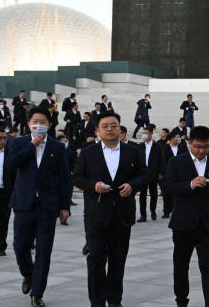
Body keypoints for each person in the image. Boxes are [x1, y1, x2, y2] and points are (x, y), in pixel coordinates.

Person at [73, 112, 148, 307]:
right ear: (97, 130)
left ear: (120, 128)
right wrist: (93, 186)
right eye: (105, 126)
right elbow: (77, 177)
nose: (110, 129)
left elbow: (144, 175)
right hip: (96, 215)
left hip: (122, 215)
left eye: (113, 125)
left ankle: (115, 300)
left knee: (118, 260)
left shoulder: (133, 151)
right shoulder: (89, 152)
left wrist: (132, 186)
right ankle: (96, 302)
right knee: (96, 259)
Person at [7, 107, 71, 307]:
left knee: (44, 250)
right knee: (20, 246)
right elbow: (11, 165)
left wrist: (64, 206)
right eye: (35, 121)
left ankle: (37, 293)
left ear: (50, 124)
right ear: (28, 123)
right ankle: (28, 274)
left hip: (47, 206)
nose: (39, 124)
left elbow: (64, 179)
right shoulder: (17, 142)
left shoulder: (57, 147)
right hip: (24, 204)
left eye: (43, 121)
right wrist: (32, 146)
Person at [163, 126, 209, 307]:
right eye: (197, 146)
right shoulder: (176, 162)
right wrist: (190, 185)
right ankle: (181, 301)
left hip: (208, 224)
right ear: (190, 143)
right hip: (183, 223)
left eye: (205, 147)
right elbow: (167, 188)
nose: (201, 151)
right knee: (181, 266)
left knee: (208, 268)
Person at [137, 125, 165, 222]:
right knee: (142, 195)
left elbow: (162, 160)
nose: (143, 135)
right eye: (143, 133)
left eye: (145, 133)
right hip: (143, 174)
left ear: (150, 134)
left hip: (154, 173)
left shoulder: (158, 146)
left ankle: (153, 211)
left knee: (154, 193)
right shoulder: (140, 146)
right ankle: (143, 215)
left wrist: (161, 173)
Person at [0, 127, 14, 256]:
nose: (3, 141)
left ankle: (1, 245)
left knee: (4, 220)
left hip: (5, 192)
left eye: (5, 138)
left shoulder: (10, 153)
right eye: (0, 138)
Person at [162, 132, 188, 218]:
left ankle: (176, 210)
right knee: (167, 193)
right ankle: (166, 211)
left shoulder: (183, 147)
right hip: (167, 174)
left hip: (180, 174)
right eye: (177, 137)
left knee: (177, 194)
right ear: (172, 138)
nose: (179, 138)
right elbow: (161, 161)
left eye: (179, 137)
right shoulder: (164, 148)